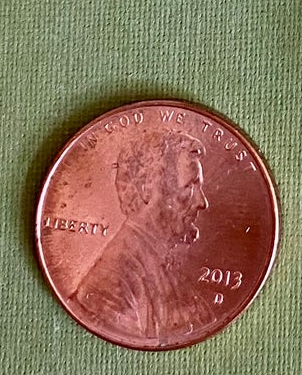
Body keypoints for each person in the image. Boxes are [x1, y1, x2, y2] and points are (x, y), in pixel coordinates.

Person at [75, 131, 216, 342]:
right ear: (146, 189)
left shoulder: (161, 266)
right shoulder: (110, 287)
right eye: (189, 186)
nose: (201, 202)